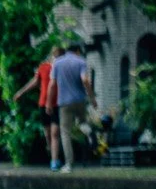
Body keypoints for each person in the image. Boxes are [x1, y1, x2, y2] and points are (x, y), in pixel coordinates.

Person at [9, 45, 60, 171]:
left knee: (55, 133)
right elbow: (34, 82)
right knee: (47, 133)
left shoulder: (61, 68)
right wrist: (21, 92)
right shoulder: (43, 67)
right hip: (43, 103)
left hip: (58, 104)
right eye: (55, 55)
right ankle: (52, 152)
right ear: (51, 56)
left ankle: (54, 160)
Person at [49, 42, 93, 173]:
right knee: (82, 123)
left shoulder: (57, 63)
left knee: (65, 132)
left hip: (64, 102)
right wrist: (92, 98)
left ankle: (69, 164)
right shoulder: (81, 61)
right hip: (80, 100)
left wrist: (49, 103)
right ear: (78, 51)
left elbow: (52, 84)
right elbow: (85, 80)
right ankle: (88, 131)